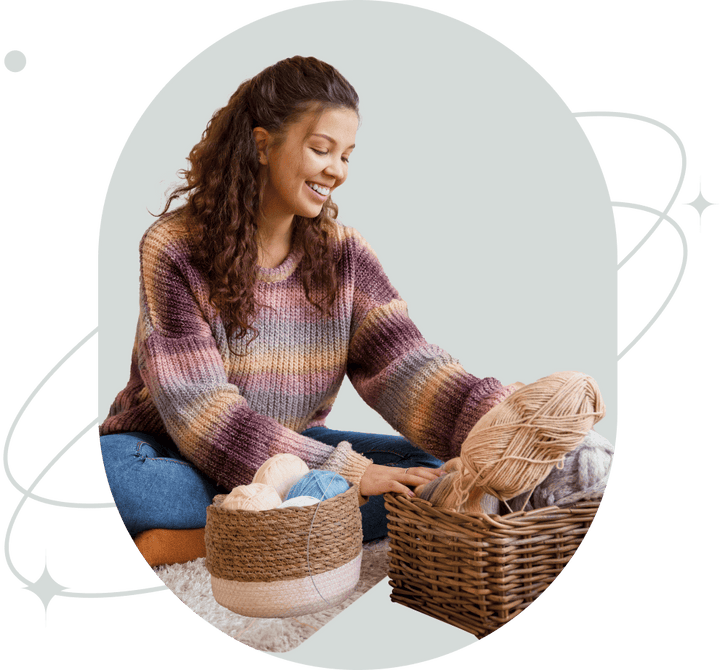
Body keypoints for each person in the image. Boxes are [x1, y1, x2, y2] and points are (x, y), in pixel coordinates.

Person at [99, 56, 517, 555]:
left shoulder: (345, 255)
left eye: (347, 155)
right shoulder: (173, 247)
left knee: (433, 472)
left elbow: (406, 365)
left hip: (292, 452)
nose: (337, 171)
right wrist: (345, 474)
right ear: (261, 144)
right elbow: (201, 415)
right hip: (168, 450)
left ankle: (233, 533)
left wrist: (500, 419)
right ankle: (260, 526)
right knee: (145, 488)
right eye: (322, 149)